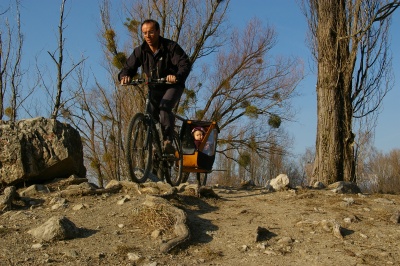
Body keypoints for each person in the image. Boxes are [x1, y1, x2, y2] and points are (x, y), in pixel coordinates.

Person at [119, 19, 191, 154]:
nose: (148, 36)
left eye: (151, 32)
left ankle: (168, 141)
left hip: (173, 85)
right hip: (155, 86)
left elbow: (184, 63)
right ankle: (155, 145)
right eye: (144, 33)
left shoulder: (170, 47)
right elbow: (128, 67)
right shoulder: (140, 51)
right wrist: (125, 77)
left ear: (158, 31)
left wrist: (176, 76)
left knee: (164, 108)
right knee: (150, 114)